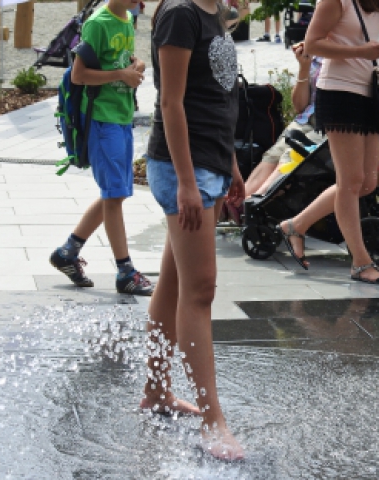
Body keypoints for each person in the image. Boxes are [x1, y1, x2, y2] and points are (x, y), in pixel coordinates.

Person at [140, 0, 245, 461]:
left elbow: (219, 97)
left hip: (211, 161)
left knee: (175, 281)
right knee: (200, 290)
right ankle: (211, 421)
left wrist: (233, 166)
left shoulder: (213, 13)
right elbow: (170, 100)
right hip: (187, 168)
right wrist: (185, 181)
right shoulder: (180, 13)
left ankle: (157, 389)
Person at [275, 0, 379, 281]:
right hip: (340, 93)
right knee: (350, 182)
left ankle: (296, 225)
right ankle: (360, 263)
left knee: (366, 183)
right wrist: (361, 51)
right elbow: (312, 43)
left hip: (370, 94)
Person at [49, 0, 152, 296]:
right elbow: (78, 75)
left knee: (114, 193)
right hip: (100, 118)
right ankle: (125, 272)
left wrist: (136, 65)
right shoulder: (98, 23)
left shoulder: (126, 19)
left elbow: (121, 58)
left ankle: (67, 253)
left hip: (120, 116)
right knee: (115, 194)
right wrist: (121, 75)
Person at [243, 42, 324, 199]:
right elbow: (300, 106)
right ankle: (237, 203)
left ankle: (256, 202)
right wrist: (304, 67)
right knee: (273, 156)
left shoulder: (349, 54)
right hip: (306, 119)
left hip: (329, 124)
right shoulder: (317, 55)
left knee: (291, 155)